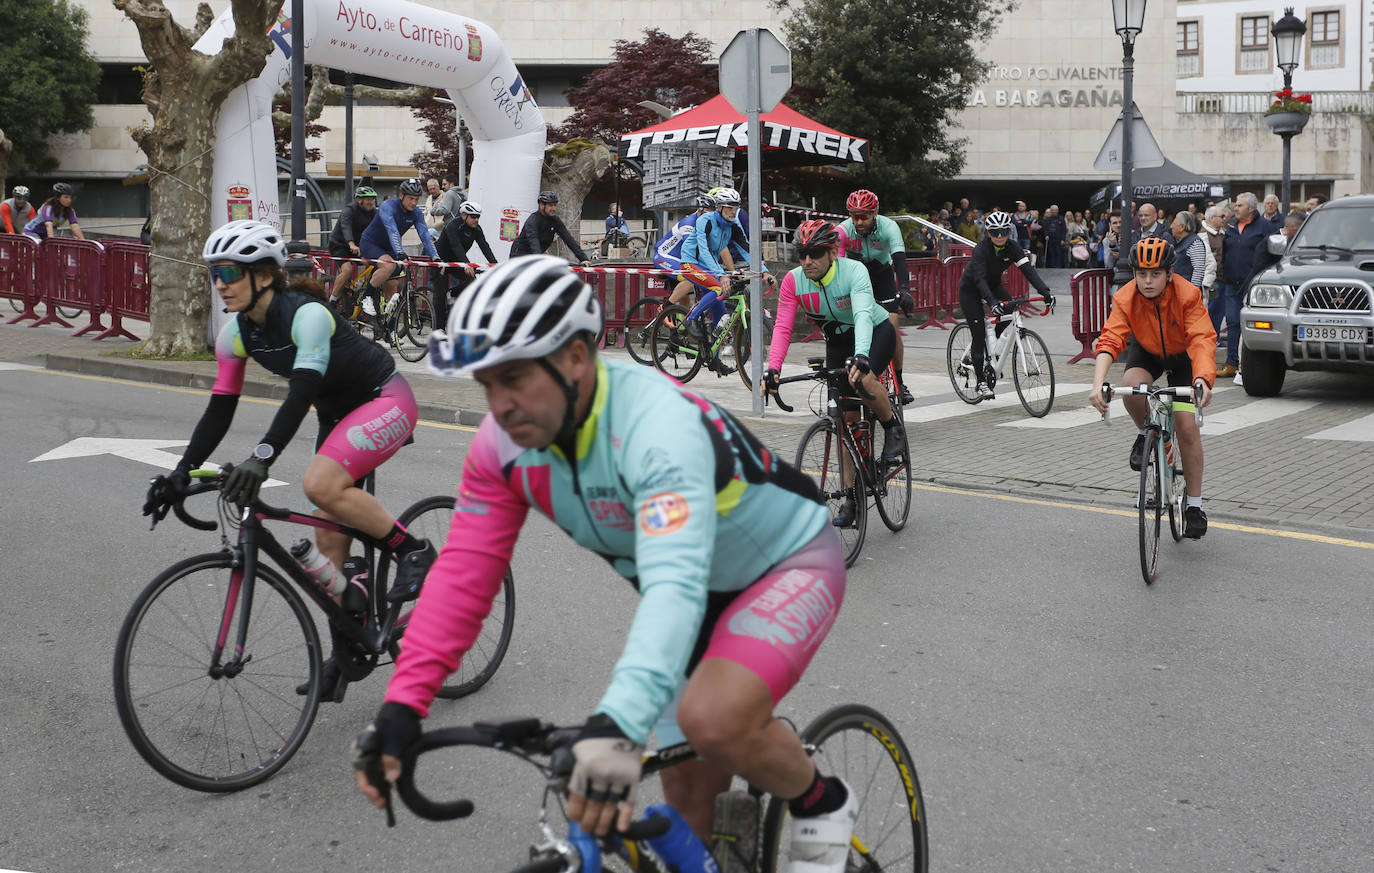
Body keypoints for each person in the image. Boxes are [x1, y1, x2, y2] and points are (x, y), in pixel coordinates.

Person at [351, 256, 859, 872]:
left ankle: (821, 801)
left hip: (786, 563)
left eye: (514, 377)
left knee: (716, 721)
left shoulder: (656, 428)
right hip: (691, 596)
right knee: (683, 819)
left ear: (575, 358)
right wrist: (403, 706)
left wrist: (616, 724)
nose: (501, 404)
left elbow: (674, 585)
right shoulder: (501, 448)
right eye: (488, 383)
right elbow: (462, 577)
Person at [142, 220, 437, 701]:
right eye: (214, 274)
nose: (220, 284)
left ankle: (413, 551)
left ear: (263, 275)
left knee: (319, 485)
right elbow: (219, 410)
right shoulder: (235, 335)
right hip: (337, 415)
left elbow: (301, 393)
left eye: (230, 272)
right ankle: (352, 643)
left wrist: (261, 458)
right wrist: (179, 473)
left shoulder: (307, 316)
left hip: (383, 398)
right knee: (328, 548)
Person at [762, 220, 907, 527]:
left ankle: (892, 426)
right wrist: (773, 369)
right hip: (838, 342)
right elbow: (783, 327)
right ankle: (852, 499)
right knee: (846, 423)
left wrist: (863, 355)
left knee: (864, 378)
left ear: (832, 252)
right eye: (802, 254)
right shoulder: (793, 281)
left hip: (875, 333)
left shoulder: (853, 272)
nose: (807, 261)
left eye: (814, 253)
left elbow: (863, 315)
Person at [1088, 238, 1216, 538]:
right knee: (1131, 386)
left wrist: (1202, 380)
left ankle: (1194, 506)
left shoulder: (1187, 294)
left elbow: (1202, 338)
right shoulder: (1125, 296)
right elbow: (1110, 340)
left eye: (1155, 274)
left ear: (1169, 273)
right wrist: (1097, 385)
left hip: (1183, 357)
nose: (1147, 281)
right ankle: (1145, 431)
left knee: (1186, 427)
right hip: (1147, 351)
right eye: (1141, 273)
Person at [957, 210, 1057, 400]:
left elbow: (1028, 271)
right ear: (988, 233)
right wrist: (992, 302)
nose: (1000, 236)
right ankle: (980, 382)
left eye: (1004, 231)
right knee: (978, 333)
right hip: (971, 289)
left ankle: (988, 344)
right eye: (995, 232)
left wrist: (1045, 292)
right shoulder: (981, 249)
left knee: (1011, 309)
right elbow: (979, 279)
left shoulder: (1013, 247)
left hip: (993, 285)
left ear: (1009, 231)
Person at [838, 189, 915, 405]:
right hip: (856, 279)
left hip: (882, 275)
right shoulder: (843, 231)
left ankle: (899, 380)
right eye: (855, 216)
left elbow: (899, 259)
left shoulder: (889, 227)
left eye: (864, 216)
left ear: (875, 213)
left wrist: (906, 288)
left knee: (892, 325)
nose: (859, 221)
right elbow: (838, 266)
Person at [357, 178, 439, 341]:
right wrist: (400, 252)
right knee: (388, 266)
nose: (414, 203)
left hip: (390, 248)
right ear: (401, 195)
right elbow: (392, 229)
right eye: (411, 198)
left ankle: (389, 330)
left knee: (394, 292)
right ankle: (366, 297)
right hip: (370, 243)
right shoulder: (388, 207)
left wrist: (435, 256)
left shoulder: (415, 213)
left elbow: (424, 235)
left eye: (417, 199)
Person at [1212, 192, 1275, 378]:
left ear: (1251, 208)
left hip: (1255, 285)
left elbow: (1274, 255)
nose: (1235, 208)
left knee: (1255, 324)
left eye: (1239, 206)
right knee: (1232, 323)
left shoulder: (1265, 227)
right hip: (1231, 284)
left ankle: (1254, 364)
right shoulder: (1230, 226)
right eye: (1236, 205)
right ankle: (1231, 362)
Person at [434, 199, 497, 327]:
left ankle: (453, 294)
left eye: (478, 217)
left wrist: (495, 265)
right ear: (464, 215)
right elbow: (456, 246)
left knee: (472, 281)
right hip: (440, 260)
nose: (476, 220)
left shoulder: (476, 229)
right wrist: (466, 264)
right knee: (440, 293)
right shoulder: (452, 225)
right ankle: (438, 329)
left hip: (456, 261)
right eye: (473, 217)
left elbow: (484, 246)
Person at [655, 193, 716, 307]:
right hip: (663, 257)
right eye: (708, 214)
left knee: (685, 301)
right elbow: (692, 249)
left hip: (680, 260)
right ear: (699, 212)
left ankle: (683, 324)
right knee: (689, 279)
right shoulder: (688, 224)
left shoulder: (706, 223)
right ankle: (664, 308)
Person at [509, 190, 591, 264]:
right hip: (519, 256)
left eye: (555, 205)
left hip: (535, 257)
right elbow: (534, 242)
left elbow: (569, 239)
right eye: (550, 205)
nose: (554, 208)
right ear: (541, 205)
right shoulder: (533, 220)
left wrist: (583, 258)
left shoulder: (555, 220)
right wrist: (538, 259)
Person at [327, 186, 378, 304]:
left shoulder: (373, 212)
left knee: (372, 264)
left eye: (372, 199)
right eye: (368, 199)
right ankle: (332, 300)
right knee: (347, 270)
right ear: (359, 200)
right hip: (339, 245)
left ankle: (360, 290)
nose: (371, 202)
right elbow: (346, 227)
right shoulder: (349, 210)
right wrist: (351, 244)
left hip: (358, 246)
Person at [1169, 211, 1208, 290]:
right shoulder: (1179, 242)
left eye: (1174, 223)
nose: (1171, 226)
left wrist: (1192, 291)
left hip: (1187, 292)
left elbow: (1198, 270)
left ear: (1182, 227)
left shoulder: (1195, 242)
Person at [422, 177, 444, 242]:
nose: (432, 191)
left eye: (434, 188)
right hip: (429, 233)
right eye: (430, 189)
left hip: (440, 232)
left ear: (438, 187)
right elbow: (426, 212)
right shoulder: (429, 199)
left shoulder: (445, 197)